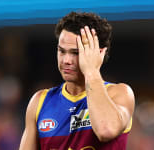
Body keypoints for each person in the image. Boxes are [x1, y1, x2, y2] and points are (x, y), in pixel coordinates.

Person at [19, 12, 135, 150]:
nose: (66, 60)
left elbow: (106, 130)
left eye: (76, 53)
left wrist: (91, 71)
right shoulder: (39, 101)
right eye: (62, 51)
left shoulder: (119, 93)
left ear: (99, 54)